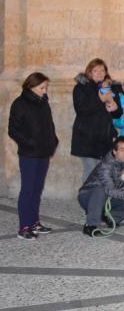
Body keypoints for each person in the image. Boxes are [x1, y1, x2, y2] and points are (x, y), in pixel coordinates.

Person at [8, 72, 59, 240]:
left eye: (46, 87)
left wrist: (53, 140)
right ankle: (24, 226)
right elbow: (13, 130)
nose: (45, 91)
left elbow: (49, 125)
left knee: (37, 189)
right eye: (41, 88)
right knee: (28, 189)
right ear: (31, 87)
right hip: (29, 154)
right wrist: (30, 143)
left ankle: (34, 222)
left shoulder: (43, 102)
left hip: (44, 152)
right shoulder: (19, 104)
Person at [78, 136, 124, 237]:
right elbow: (110, 190)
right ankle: (90, 226)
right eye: (122, 150)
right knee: (101, 189)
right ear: (114, 151)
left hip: (109, 198)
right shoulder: (105, 166)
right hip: (88, 196)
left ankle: (110, 217)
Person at [71, 58, 123, 180]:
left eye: (102, 70)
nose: (99, 73)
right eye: (95, 70)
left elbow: (118, 114)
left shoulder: (112, 88)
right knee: (90, 172)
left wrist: (115, 108)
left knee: (104, 173)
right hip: (86, 137)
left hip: (105, 138)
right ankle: (87, 198)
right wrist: (100, 100)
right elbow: (81, 109)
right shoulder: (81, 88)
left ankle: (100, 199)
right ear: (89, 72)